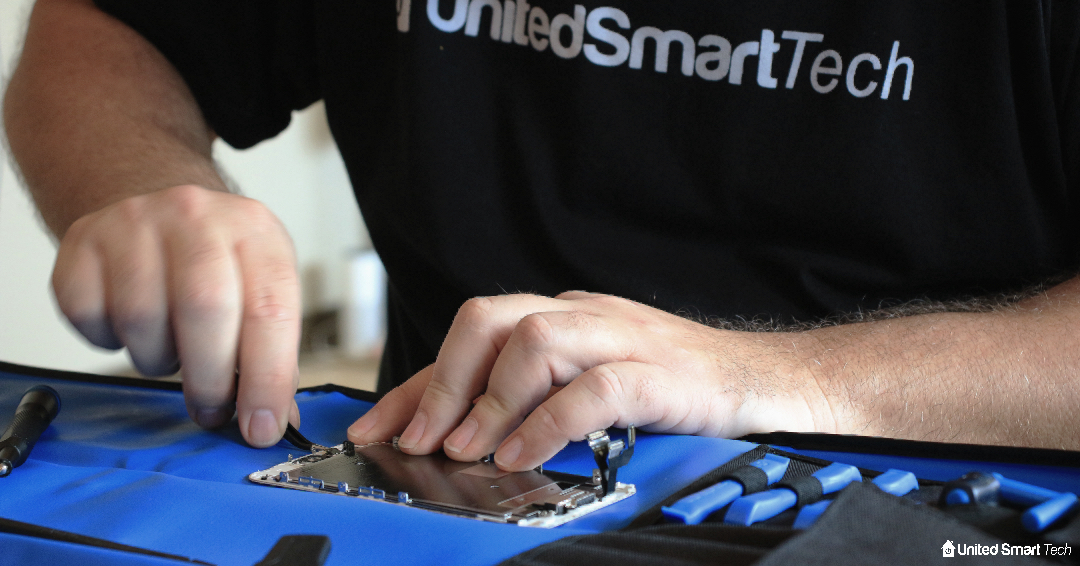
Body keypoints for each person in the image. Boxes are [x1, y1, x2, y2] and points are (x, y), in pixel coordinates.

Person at [5, 0, 1080, 470]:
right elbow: (108, 28)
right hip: (443, 482)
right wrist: (144, 182)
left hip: (949, 505)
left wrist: (777, 379)